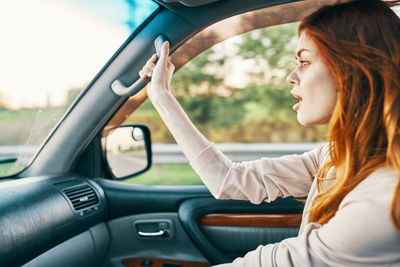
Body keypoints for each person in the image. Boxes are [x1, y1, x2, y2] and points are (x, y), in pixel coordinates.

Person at [139, 0, 400, 265]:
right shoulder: (335, 157)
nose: (291, 76)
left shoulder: (385, 199)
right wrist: (161, 96)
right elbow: (228, 180)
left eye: (304, 62)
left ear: (353, 71)